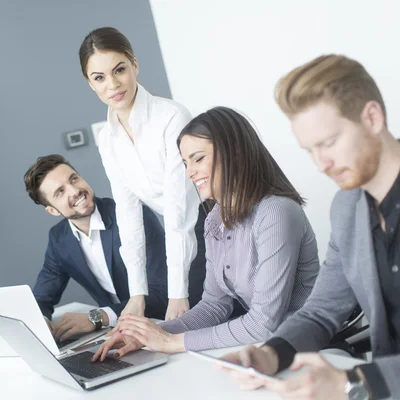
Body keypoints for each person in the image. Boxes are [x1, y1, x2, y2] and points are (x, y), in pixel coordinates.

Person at [220, 55, 399, 400]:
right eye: (310, 151)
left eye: (329, 142)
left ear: (372, 118)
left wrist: (359, 382)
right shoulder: (348, 208)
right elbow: (321, 311)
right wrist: (269, 354)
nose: (321, 164)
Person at [93, 106, 320, 361]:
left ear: (233, 153)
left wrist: (172, 342)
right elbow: (214, 306)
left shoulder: (276, 212)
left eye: (198, 159)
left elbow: (264, 322)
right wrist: (149, 335)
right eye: (185, 162)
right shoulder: (214, 219)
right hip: (269, 349)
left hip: (312, 350)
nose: (189, 172)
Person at [80, 27, 205, 320]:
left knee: (197, 318)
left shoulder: (172, 117)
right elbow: (128, 215)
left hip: (215, 221)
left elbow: (179, 210)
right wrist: (138, 294)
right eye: (99, 78)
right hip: (181, 233)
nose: (112, 84)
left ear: (134, 65)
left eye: (119, 70)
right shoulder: (108, 140)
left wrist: (178, 293)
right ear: (90, 84)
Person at [24, 155, 168, 341]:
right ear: (52, 210)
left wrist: (97, 318)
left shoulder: (131, 216)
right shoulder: (59, 238)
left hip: (163, 325)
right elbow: (42, 297)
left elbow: (162, 293)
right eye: (60, 192)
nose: (75, 190)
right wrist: (40, 322)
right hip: (116, 334)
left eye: (73, 178)